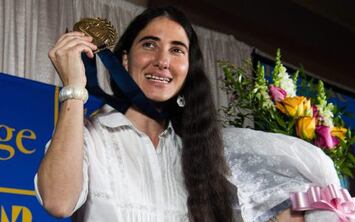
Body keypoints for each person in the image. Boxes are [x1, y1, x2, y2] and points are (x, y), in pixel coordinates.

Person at [35, 6, 233, 222]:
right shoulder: (88, 134)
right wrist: (74, 87)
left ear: (188, 68)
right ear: (125, 59)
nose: (162, 61)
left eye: (176, 50)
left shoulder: (201, 151)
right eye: (149, 44)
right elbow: (58, 203)